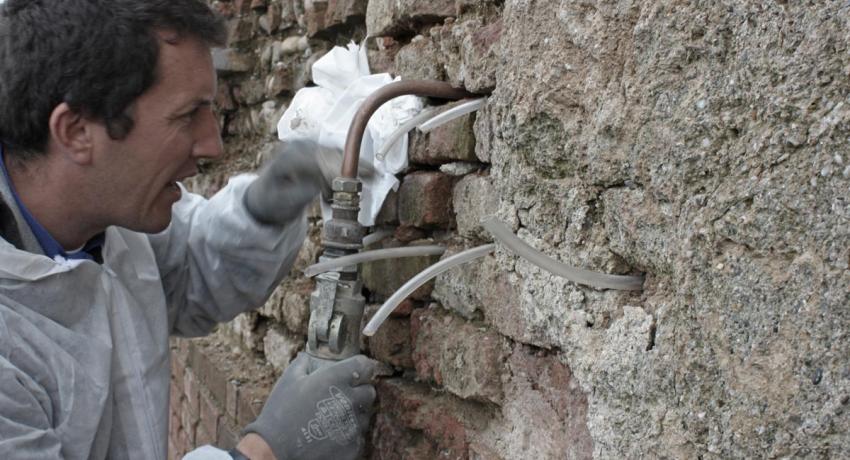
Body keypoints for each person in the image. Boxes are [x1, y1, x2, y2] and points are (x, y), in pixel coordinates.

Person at [0, 1, 377, 459]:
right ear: (76, 131)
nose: (212, 146)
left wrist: (261, 212)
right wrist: (264, 451)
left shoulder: (107, 225)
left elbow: (189, 269)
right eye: (187, 115)